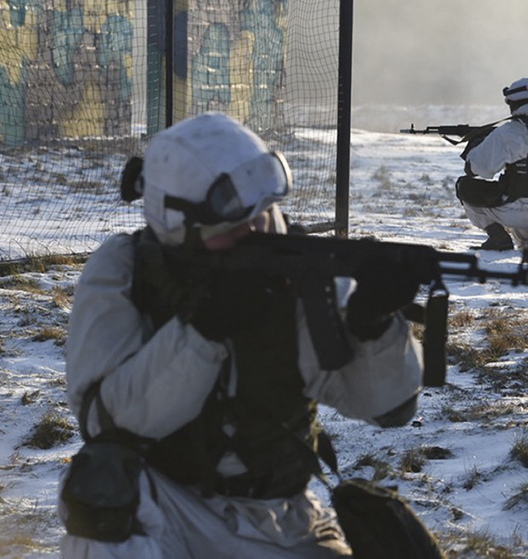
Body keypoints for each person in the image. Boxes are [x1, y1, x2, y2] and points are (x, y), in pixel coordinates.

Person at [58, 112, 427, 558]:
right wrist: (203, 333)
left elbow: (388, 409)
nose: (255, 231)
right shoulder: (125, 270)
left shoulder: (298, 268)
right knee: (98, 488)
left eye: (262, 214)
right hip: (167, 506)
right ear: (178, 225)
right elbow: (105, 424)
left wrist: (374, 325)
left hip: (281, 516)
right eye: (232, 226)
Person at [454, 77, 528, 254]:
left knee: (465, 187)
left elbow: (478, 169)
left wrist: (479, 144)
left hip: (514, 209)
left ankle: (497, 237)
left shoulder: (509, 130)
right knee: (525, 221)